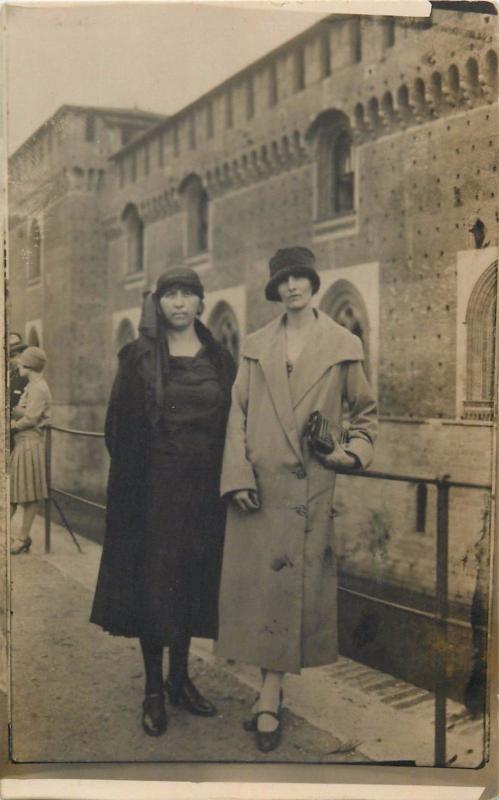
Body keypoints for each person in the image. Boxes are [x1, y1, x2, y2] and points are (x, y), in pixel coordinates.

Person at [216, 247, 378, 752]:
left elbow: (366, 414)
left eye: (300, 278)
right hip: (259, 492)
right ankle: (269, 691)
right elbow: (237, 414)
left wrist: (350, 455)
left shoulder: (341, 343)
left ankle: (269, 695)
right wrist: (237, 474)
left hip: (309, 487)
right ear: (276, 290)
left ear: (312, 282)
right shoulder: (257, 344)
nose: (292, 287)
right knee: (263, 593)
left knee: (289, 593)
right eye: (283, 281)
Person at [90, 266, 236, 737]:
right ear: (159, 304)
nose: (178, 303)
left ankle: (180, 678)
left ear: (200, 302)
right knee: (155, 586)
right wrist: (143, 477)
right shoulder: (137, 357)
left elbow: (235, 420)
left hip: (206, 490)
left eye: (186, 295)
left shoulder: (219, 357)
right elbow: (117, 427)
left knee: (193, 581)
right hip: (154, 493)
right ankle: (153, 688)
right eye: (169, 295)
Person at [10, 346, 52, 555]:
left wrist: (13, 423)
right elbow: (20, 410)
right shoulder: (32, 385)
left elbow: (31, 417)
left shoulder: (39, 388)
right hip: (23, 444)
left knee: (28, 495)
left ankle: (22, 538)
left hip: (30, 444)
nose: (18, 364)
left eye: (22, 362)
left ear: (30, 366)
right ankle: (18, 537)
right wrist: (19, 412)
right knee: (15, 494)